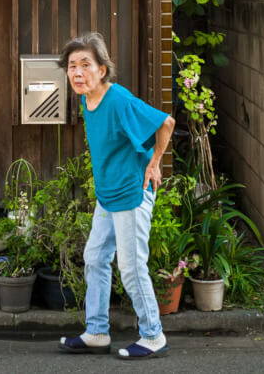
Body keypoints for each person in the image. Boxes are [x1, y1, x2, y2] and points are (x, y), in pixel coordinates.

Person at [56, 32, 175, 360]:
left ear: (102, 70)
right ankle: (96, 332)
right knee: (95, 258)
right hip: (108, 196)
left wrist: (154, 162)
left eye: (85, 65)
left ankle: (153, 335)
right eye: (72, 67)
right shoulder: (86, 98)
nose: (77, 73)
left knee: (132, 267)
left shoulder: (118, 99)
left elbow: (166, 123)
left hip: (132, 196)